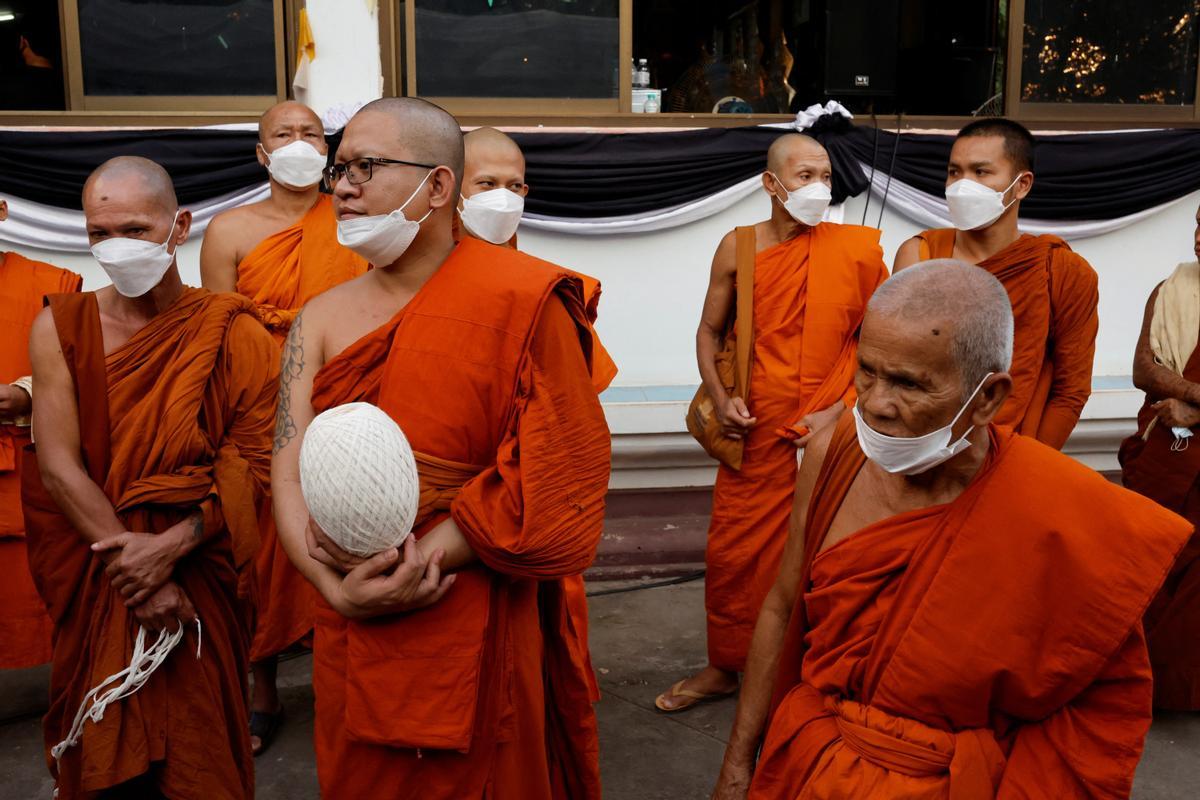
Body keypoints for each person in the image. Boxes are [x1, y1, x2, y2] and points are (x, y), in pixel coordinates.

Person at [710, 260, 1191, 800]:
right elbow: (780, 607)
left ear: (987, 398)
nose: (874, 404)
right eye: (867, 371)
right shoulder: (832, 454)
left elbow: (1096, 710)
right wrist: (736, 764)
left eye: (908, 384)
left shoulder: (1061, 512)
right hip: (810, 767)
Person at [270, 97, 610, 799]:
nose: (342, 186)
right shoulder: (318, 319)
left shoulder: (524, 298)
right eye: (339, 170)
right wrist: (335, 587)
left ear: (438, 186)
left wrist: (416, 563)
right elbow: (286, 468)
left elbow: (553, 478)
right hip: (350, 619)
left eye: (366, 166)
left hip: (474, 601)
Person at [23, 157, 276, 798]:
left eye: (135, 229)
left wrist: (168, 548)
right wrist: (137, 576)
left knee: (200, 759)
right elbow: (58, 463)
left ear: (179, 225)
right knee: (107, 748)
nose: (118, 247)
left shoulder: (233, 330)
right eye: (100, 233)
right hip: (104, 570)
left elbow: (254, 465)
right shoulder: (62, 326)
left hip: (199, 572)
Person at [656, 133, 888, 712]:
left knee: (827, 551)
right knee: (734, 555)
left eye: (826, 178)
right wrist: (722, 395)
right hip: (754, 433)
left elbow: (878, 343)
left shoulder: (856, 252)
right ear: (771, 183)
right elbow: (710, 333)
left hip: (830, 429)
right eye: (804, 176)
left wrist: (837, 411)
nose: (818, 189)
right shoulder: (738, 248)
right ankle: (724, 666)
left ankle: (808, 671)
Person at [201, 99, 367, 754]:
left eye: (310, 132)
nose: (298, 142)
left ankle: (348, 674)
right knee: (260, 552)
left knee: (347, 531)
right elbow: (213, 336)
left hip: (345, 391)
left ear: (327, 149)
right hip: (260, 406)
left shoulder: (354, 221)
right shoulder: (230, 230)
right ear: (261, 152)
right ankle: (261, 684)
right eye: (283, 133)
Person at [893, 118, 1098, 449]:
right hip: (923, 446)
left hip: (1014, 447)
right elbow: (898, 366)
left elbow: (1071, 389)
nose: (962, 184)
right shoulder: (920, 255)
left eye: (980, 172)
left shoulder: (1058, 269)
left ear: (1022, 184)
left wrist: (1031, 462)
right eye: (954, 172)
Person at [1119, 202, 1200, 710]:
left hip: (1186, 426)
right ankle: (1152, 683)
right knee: (1156, 560)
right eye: (1199, 225)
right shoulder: (1172, 289)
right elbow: (1142, 370)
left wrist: (1194, 406)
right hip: (1168, 446)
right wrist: (1193, 395)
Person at [0, 197, 82, 671]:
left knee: (39, 597)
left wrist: (25, 395)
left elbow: (84, 366)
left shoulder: (51, 285)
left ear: (3, 210)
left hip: (28, 460)